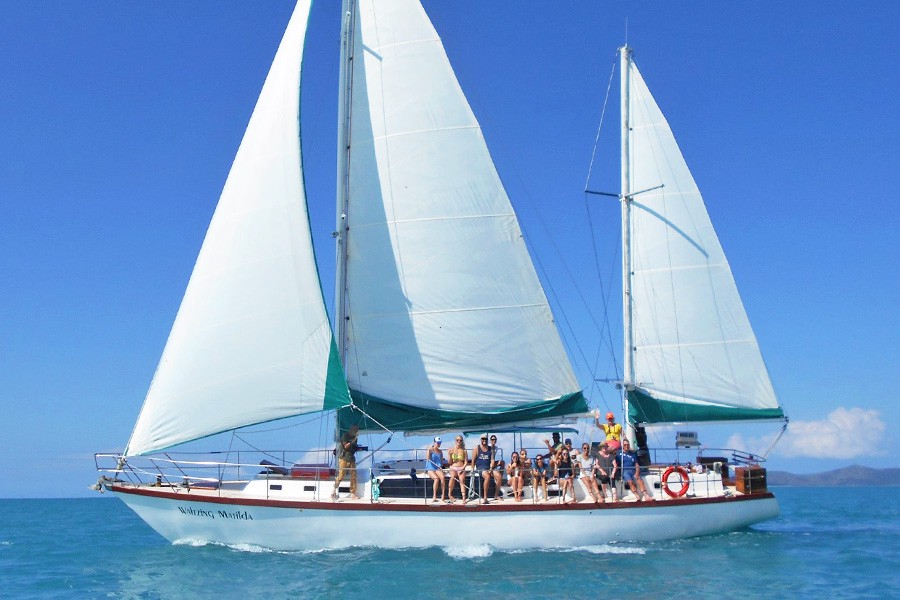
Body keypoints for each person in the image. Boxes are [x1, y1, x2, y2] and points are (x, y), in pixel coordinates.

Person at [333, 424, 360, 500]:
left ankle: (353, 493)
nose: (356, 432)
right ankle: (334, 490)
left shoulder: (355, 438)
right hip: (344, 458)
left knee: (353, 476)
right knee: (341, 475)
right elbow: (345, 446)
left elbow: (354, 448)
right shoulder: (345, 436)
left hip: (351, 458)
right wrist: (352, 441)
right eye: (356, 430)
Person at [471, 434, 493, 504]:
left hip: (488, 468)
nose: (484, 440)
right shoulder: (476, 448)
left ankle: (497, 495)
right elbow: (473, 460)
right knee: (487, 476)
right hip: (480, 468)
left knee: (498, 475)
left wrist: (491, 468)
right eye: (483, 439)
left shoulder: (491, 449)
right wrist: (472, 469)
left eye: (485, 439)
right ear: (481, 439)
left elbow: (492, 460)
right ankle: (485, 497)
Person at [425, 436, 446, 504]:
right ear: (434, 443)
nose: (439, 444)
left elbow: (441, 462)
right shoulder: (431, 450)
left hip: (437, 468)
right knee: (436, 479)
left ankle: (443, 495)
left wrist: (441, 467)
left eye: (439, 443)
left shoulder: (440, 452)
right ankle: (434, 495)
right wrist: (428, 450)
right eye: (438, 443)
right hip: (431, 468)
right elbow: (428, 458)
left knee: (442, 478)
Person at [447, 435, 468, 503]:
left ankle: (464, 497)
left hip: (461, 467)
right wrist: (450, 455)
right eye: (457, 440)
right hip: (453, 466)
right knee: (452, 477)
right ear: (455, 441)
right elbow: (449, 462)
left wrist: (462, 469)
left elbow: (466, 462)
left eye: (460, 440)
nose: (459, 441)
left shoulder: (464, 450)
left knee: (462, 480)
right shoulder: (452, 449)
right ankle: (449, 494)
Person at [488, 435, 504, 500]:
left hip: (492, 463)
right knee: (498, 476)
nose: (493, 441)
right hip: (487, 465)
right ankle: (496, 495)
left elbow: (493, 459)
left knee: (502, 462)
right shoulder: (488, 447)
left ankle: (500, 481)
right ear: (490, 440)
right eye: (492, 439)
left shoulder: (496, 448)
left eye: (495, 439)